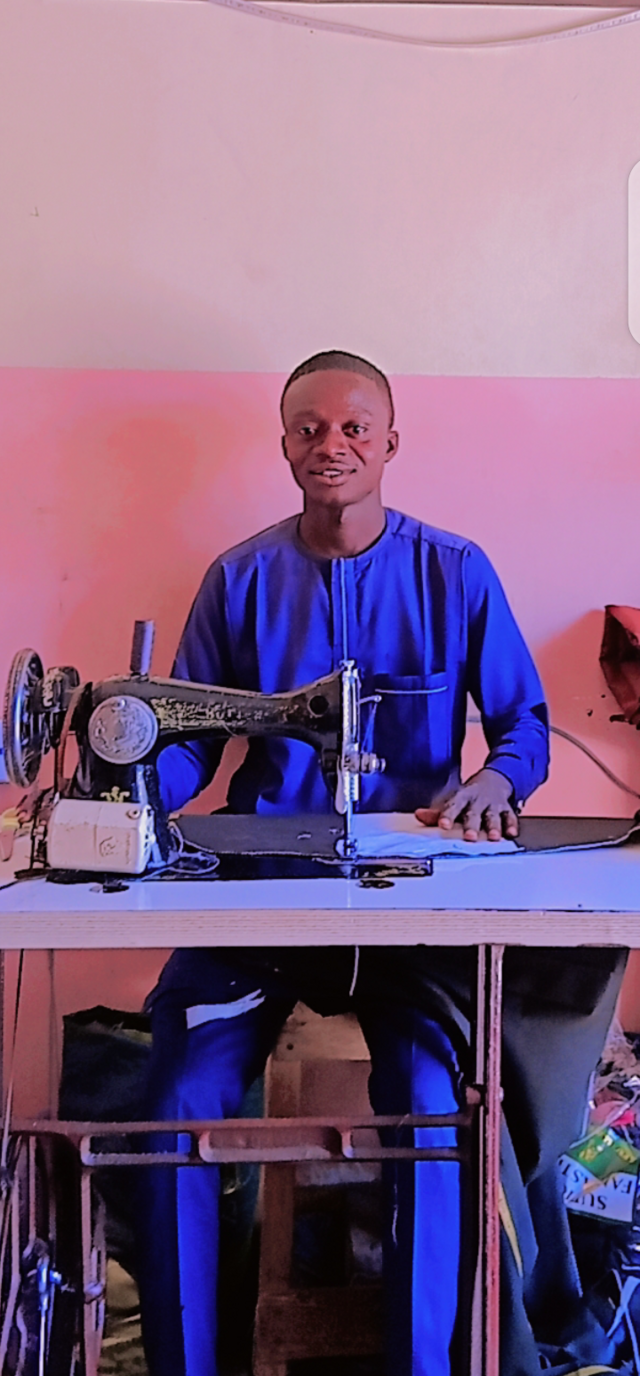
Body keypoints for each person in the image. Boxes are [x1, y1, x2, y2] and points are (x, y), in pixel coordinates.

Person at [135, 351, 628, 1376]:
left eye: (354, 427)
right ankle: (187, 1360)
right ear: (283, 446)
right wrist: (133, 785)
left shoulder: (455, 570)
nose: (332, 444)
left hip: (409, 913)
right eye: (310, 428)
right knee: (177, 1090)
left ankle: (427, 1362)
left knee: (437, 1102)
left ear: (391, 442)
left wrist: (496, 782)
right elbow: (190, 739)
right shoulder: (238, 579)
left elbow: (523, 725)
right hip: (262, 904)